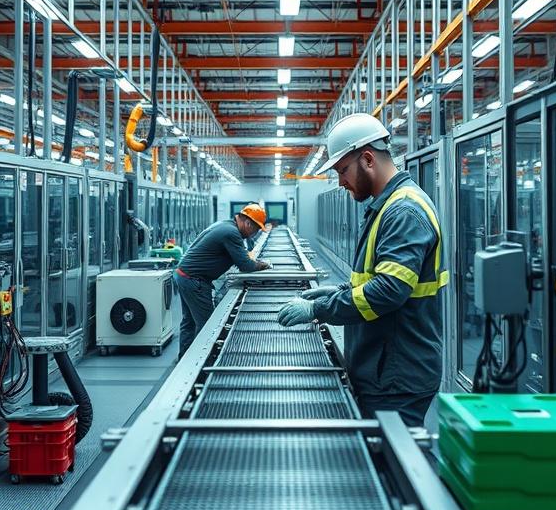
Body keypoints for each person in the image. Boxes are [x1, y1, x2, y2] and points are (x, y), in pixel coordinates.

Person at [277, 113, 448, 426]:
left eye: (343, 170)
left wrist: (318, 308)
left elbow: (388, 292)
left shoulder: (404, 211)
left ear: (368, 159)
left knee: (397, 464)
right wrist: (340, 291)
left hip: (397, 373)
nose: (341, 182)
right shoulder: (388, 206)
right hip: (385, 366)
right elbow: (379, 278)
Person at [175, 203, 273, 357]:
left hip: (183, 275)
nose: (254, 234)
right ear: (248, 223)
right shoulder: (231, 233)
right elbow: (246, 265)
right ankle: (200, 362)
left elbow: (240, 255)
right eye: (255, 230)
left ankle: (183, 357)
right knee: (208, 325)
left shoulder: (225, 225)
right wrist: (264, 265)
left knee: (189, 322)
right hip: (194, 280)